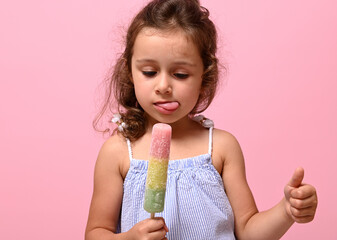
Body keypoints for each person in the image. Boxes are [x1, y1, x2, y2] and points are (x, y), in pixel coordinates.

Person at [85, 0, 318, 239]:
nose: (163, 86)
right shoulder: (118, 152)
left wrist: (286, 210)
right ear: (130, 72)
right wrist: (129, 238)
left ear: (204, 77)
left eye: (180, 74)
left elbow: (249, 231)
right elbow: (95, 233)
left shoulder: (221, 147)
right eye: (149, 72)